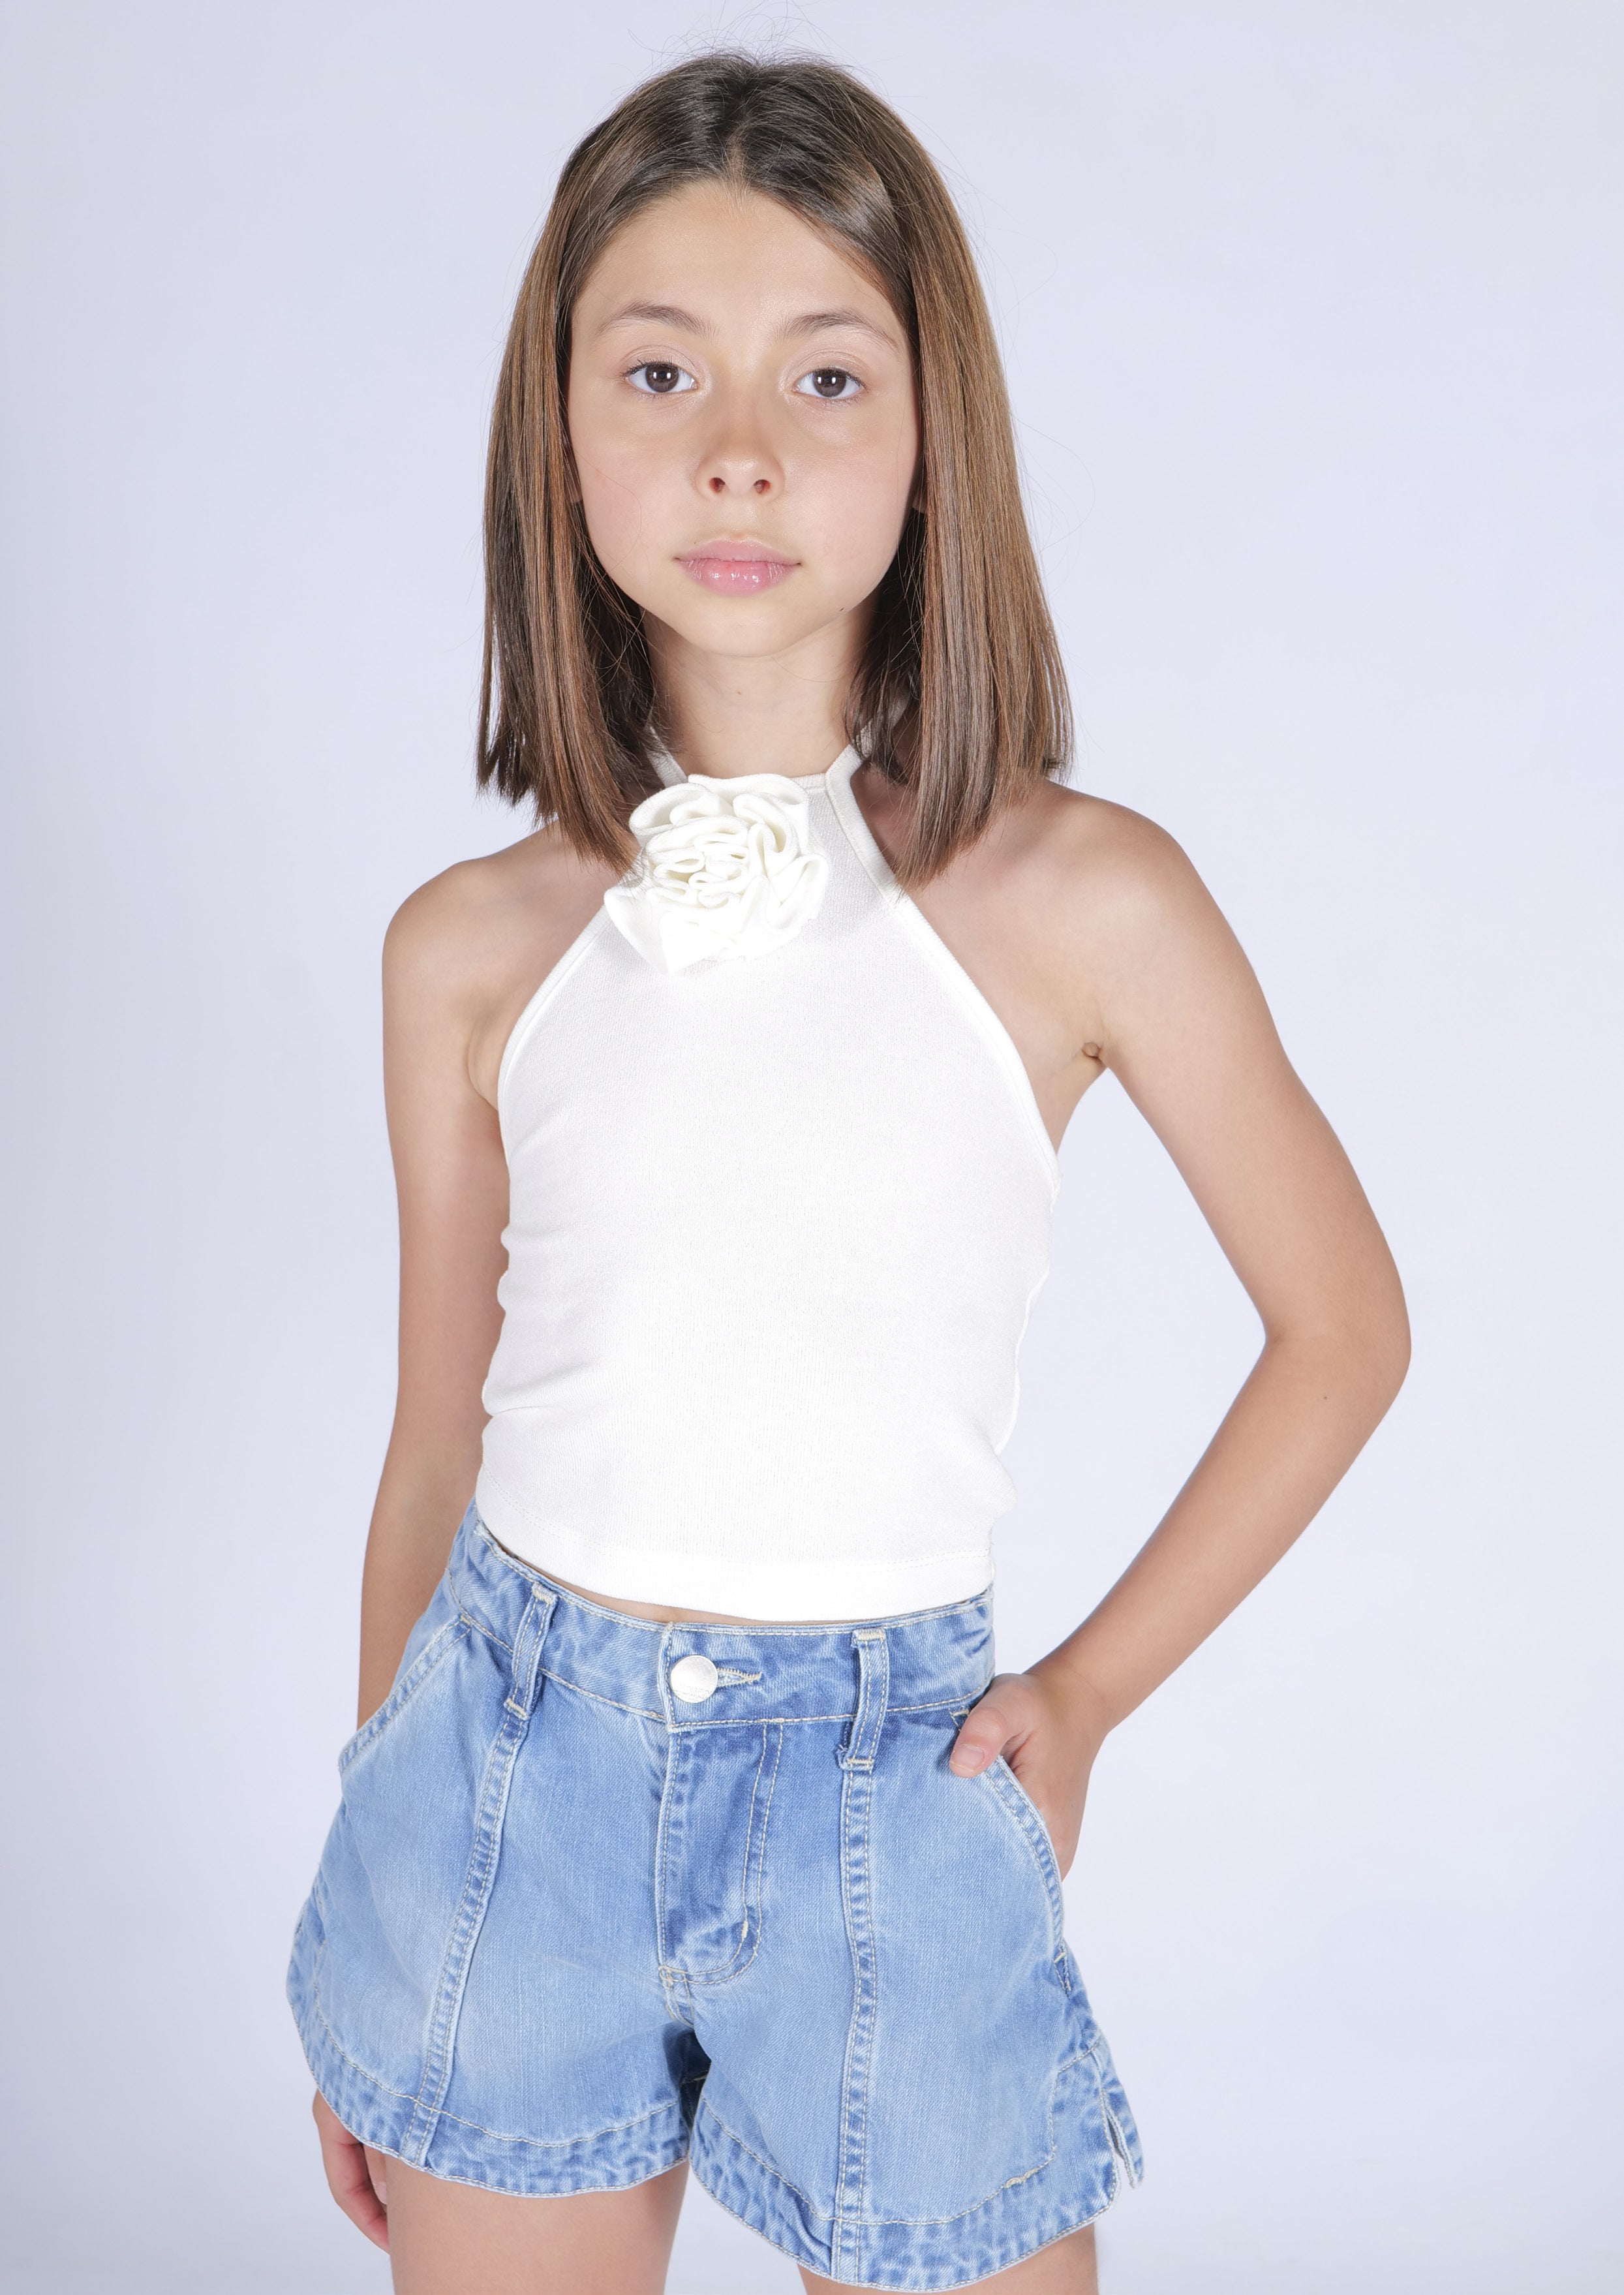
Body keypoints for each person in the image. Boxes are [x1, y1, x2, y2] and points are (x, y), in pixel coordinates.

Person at [286, 50, 1410, 2295]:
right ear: (556, 436)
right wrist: (397, 1884)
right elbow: (434, 1443)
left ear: (928, 435)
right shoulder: (465, 949)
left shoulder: (1082, 902)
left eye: (823, 376)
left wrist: (1084, 1695)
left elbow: (1342, 1331)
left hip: (897, 1795)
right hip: (505, 1800)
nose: (739, 450)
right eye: (657, 372)